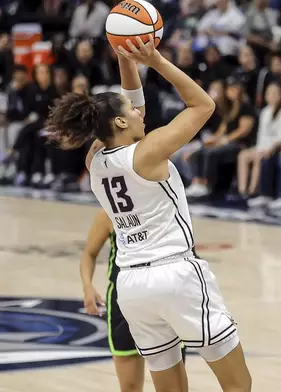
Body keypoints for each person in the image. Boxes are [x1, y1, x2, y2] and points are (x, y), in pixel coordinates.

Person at [45, 36, 251, 392]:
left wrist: (125, 57)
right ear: (121, 124)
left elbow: (130, 103)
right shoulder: (147, 153)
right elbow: (203, 105)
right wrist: (155, 60)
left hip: (131, 286)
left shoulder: (95, 157)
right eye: (132, 110)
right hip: (175, 275)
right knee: (239, 385)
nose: (140, 111)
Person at [80, 210, 187, 392]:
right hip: (123, 301)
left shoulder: (165, 206)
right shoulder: (108, 213)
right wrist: (87, 286)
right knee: (129, 386)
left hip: (163, 298)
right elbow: (89, 253)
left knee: (173, 387)